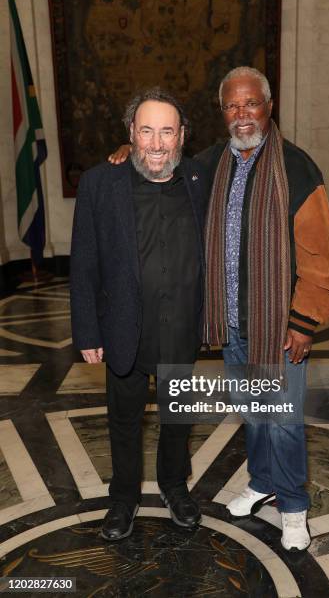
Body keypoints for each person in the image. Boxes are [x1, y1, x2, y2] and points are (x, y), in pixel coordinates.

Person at [108, 67, 329, 551]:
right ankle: (261, 483)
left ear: (269, 106)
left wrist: (303, 323)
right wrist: (130, 153)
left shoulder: (297, 168)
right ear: (222, 113)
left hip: (279, 325)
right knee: (253, 411)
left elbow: (322, 256)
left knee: (282, 418)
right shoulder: (211, 163)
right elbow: (164, 163)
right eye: (232, 107)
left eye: (251, 104)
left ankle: (294, 506)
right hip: (233, 324)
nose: (242, 115)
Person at [70, 88, 209, 541]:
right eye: (146, 130)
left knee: (178, 416)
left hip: (182, 326)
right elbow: (84, 262)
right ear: (130, 133)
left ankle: (174, 486)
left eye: (166, 131)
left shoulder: (200, 179)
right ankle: (123, 498)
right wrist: (87, 329)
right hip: (124, 327)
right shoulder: (99, 184)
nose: (156, 142)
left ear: (182, 136)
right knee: (124, 420)